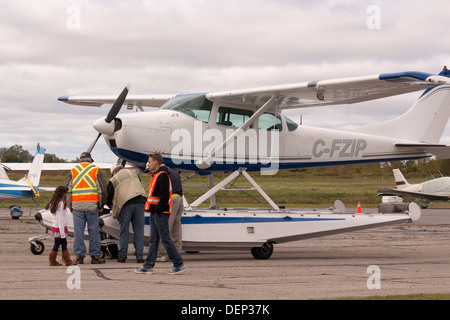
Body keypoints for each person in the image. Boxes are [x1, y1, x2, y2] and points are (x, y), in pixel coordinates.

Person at [135, 153, 185, 275]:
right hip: (155, 212)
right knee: (154, 239)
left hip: (160, 213)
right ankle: (148, 265)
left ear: (156, 163)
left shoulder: (162, 176)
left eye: (150, 162)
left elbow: (165, 196)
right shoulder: (156, 175)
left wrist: (157, 210)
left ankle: (178, 263)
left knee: (165, 238)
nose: (148, 164)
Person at [65, 151, 107, 264]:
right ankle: (95, 256)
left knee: (78, 232)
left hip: (77, 206)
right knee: (94, 232)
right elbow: (102, 189)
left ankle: (79, 256)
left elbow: (68, 190)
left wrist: (69, 205)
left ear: (80, 160)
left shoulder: (73, 171)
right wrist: (101, 205)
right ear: (90, 160)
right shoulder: (95, 170)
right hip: (92, 206)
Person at [106, 164, 147, 263]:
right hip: (141, 201)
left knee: (124, 231)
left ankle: (122, 256)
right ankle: (139, 256)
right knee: (139, 230)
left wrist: (110, 205)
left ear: (114, 172)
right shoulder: (134, 174)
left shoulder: (114, 179)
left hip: (126, 203)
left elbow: (108, 196)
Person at [155, 165, 183, 262]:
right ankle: (177, 252)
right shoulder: (174, 172)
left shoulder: (162, 173)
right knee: (176, 227)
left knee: (165, 227)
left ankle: (162, 253)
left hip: (171, 200)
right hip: (179, 199)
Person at [46, 186, 76, 266]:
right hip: (60, 228)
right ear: (63, 194)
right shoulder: (61, 203)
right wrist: (62, 233)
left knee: (60, 244)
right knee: (61, 244)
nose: (67, 194)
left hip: (57, 227)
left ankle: (55, 260)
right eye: (66, 193)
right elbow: (60, 218)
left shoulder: (56, 202)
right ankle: (66, 260)